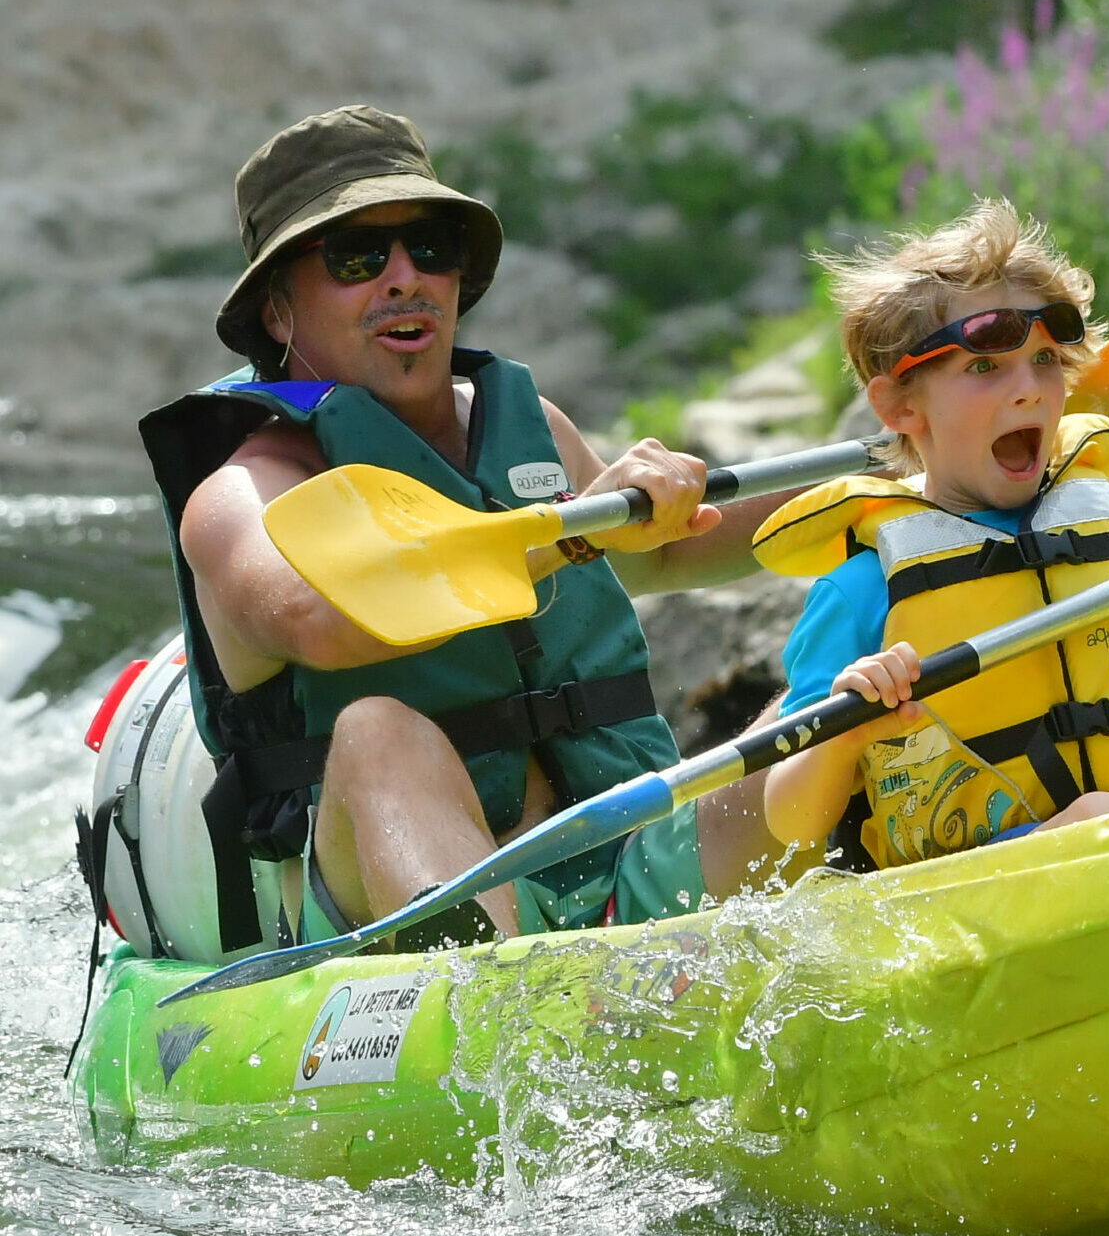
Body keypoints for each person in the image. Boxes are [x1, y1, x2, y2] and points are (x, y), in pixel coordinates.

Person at [139, 104, 789, 953]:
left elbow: (667, 546)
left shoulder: (527, 427)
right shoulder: (240, 495)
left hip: (620, 841)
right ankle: (500, 1008)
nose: (405, 278)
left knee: (848, 691)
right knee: (377, 731)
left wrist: (887, 484)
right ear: (276, 311)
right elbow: (320, 618)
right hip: (378, 890)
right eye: (357, 256)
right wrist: (572, 533)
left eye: (430, 249)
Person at [751, 201, 1109, 871]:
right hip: (968, 897)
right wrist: (844, 732)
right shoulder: (863, 588)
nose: (1031, 391)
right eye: (984, 367)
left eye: (1045, 360)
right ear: (900, 406)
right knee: (1102, 818)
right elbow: (790, 820)